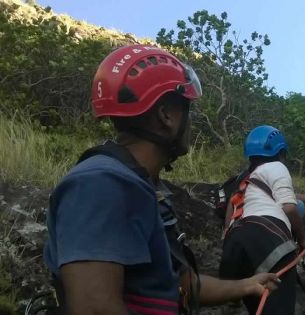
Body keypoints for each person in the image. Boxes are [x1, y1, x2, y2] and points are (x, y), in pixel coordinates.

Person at [43, 45, 278, 315]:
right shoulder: (102, 184)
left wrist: (247, 285)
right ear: (166, 116)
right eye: (187, 111)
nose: (190, 125)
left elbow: (180, 286)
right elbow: (95, 307)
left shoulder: (143, 187)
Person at [220, 125, 305, 315]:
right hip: (268, 237)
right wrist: (303, 240)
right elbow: (289, 206)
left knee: (256, 306)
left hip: (234, 242)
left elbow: (230, 215)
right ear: (280, 151)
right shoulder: (277, 167)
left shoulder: (244, 181)